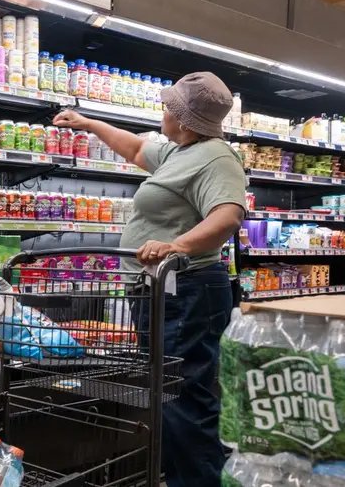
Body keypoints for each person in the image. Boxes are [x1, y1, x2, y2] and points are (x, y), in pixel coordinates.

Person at [53, 71, 246, 487]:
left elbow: (228, 215)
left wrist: (176, 246)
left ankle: (199, 482)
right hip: (162, 293)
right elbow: (138, 148)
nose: (163, 112)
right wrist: (89, 123)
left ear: (183, 118)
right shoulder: (181, 151)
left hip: (189, 291)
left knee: (183, 398)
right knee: (170, 395)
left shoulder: (217, 158)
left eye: (168, 107)